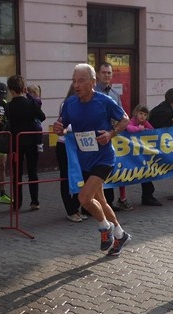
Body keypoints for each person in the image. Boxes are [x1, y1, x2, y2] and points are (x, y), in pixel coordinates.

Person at [53, 63, 131, 257]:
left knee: (84, 198)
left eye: (81, 81)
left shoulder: (104, 101)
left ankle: (105, 228)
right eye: (74, 81)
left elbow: (125, 119)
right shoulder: (70, 103)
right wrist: (59, 129)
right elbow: (63, 127)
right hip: (85, 159)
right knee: (100, 201)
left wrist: (111, 133)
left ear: (93, 82)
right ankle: (120, 234)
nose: (76, 85)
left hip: (104, 158)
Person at [94, 62, 131, 211]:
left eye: (109, 73)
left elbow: (121, 116)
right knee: (94, 172)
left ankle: (108, 203)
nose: (107, 75)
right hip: (95, 137)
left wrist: (115, 131)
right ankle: (94, 204)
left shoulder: (114, 94)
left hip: (110, 137)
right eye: (104, 72)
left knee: (107, 170)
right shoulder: (92, 92)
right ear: (98, 75)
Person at [6, 74, 45, 210]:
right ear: (23, 88)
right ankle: (34, 201)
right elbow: (42, 117)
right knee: (32, 172)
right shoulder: (31, 104)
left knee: (16, 174)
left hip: (15, 143)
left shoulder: (9, 106)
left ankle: (17, 203)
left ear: (11, 90)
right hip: (32, 142)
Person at [142, 88, 173, 206]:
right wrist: (171, 123)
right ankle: (147, 196)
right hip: (152, 145)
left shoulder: (165, 108)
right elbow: (158, 126)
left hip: (155, 144)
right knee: (148, 169)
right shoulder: (164, 111)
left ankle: (148, 195)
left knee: (150, 168)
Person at [55, 84, 87, 223]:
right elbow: (64, 126)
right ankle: (71, 210)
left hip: (80, 145)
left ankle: (75, 206)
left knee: (82, 176)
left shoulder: (86, 105)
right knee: (66, 177)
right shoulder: (67, 104)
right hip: (65, 145)